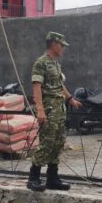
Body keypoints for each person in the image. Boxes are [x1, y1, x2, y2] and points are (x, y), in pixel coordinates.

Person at [26, 32, 82, 192]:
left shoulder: (56, 64)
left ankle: (52, 178)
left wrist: (70, 99)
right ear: (54, 44)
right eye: (61, 45)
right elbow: (36, 86)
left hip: (59, 109)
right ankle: (34, 177)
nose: (63, 48)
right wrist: (40, 110)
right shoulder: (41, 63)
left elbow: (59, 85)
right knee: (47, 142)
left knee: (58, 142)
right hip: (49, 109)